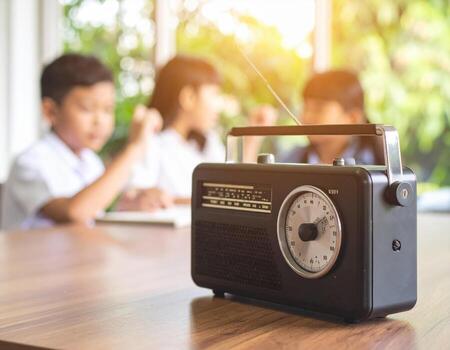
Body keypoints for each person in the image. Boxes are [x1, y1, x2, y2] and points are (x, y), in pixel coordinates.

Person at [1, 53, 163, 230]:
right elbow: (74, 213)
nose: (100, 120)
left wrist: (133, 205)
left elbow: (94, 212)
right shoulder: (29, 163)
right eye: (87, 109)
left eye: (108, 110)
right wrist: (134, 148)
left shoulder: (90, 161)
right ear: (50, 112)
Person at [122, 55, 277, 207]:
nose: (218, 105)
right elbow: (133, 199)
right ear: (189, 97)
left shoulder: (207, 143)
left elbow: (239, 185)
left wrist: (253, 138)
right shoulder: (152, 143)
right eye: (214, 94)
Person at [280, 70, 383, 165]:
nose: (306, 116)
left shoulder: (375, 165)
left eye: (318, 109)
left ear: (352, 118)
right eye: (305, 107)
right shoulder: (292, 158)